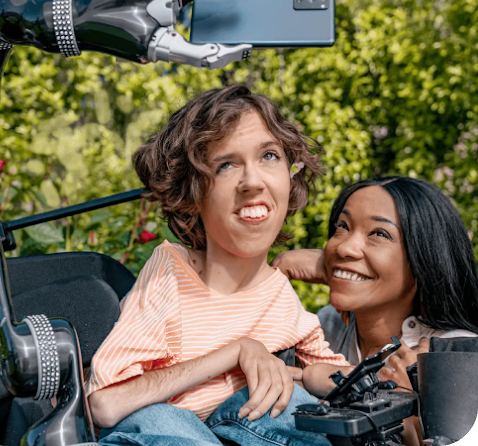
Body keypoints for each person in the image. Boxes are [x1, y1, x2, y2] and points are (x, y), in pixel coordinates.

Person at [84, 84, 353, 446]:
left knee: (294, 408)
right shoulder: (172, 274)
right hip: (163, 436)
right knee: (160, 418)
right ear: (192, 195)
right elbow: (105, 403)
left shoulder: (281, 299)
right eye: (226, 165)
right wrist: (238, 351)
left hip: (242, 431)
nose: (253, 181)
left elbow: (336, 377)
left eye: (269, 156)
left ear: (290, 176)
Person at [273, 176, 478, 444]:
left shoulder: (457, 355)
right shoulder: (325, 327)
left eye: (379, 234)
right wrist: (279, 273)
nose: (345, 247)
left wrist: (407, 412)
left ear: (424, 259)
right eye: (342, 227)